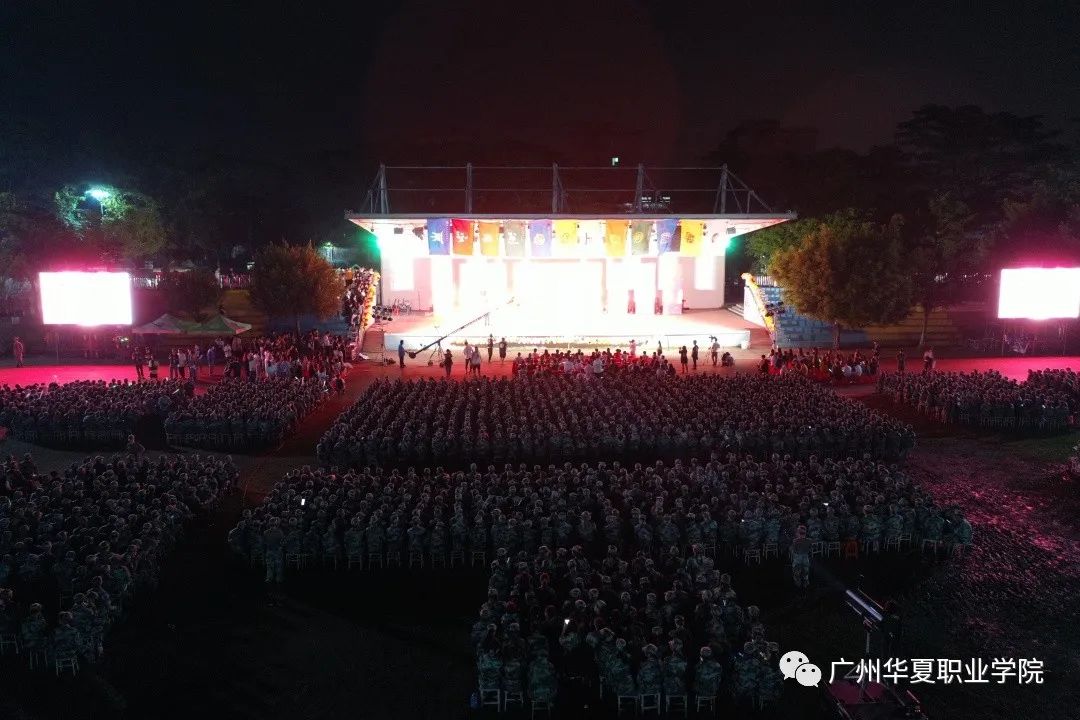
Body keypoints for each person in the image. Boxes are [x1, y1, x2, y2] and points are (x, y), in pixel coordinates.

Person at [790, 525, 811, 590]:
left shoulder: (795, 541)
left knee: (797, 571)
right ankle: (805, 583)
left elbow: (793, 550)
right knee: (806, 571)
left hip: (798, 557)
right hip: (805, 557)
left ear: (798, 533)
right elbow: (810, 549)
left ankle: (798, 584)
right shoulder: (809, 540)